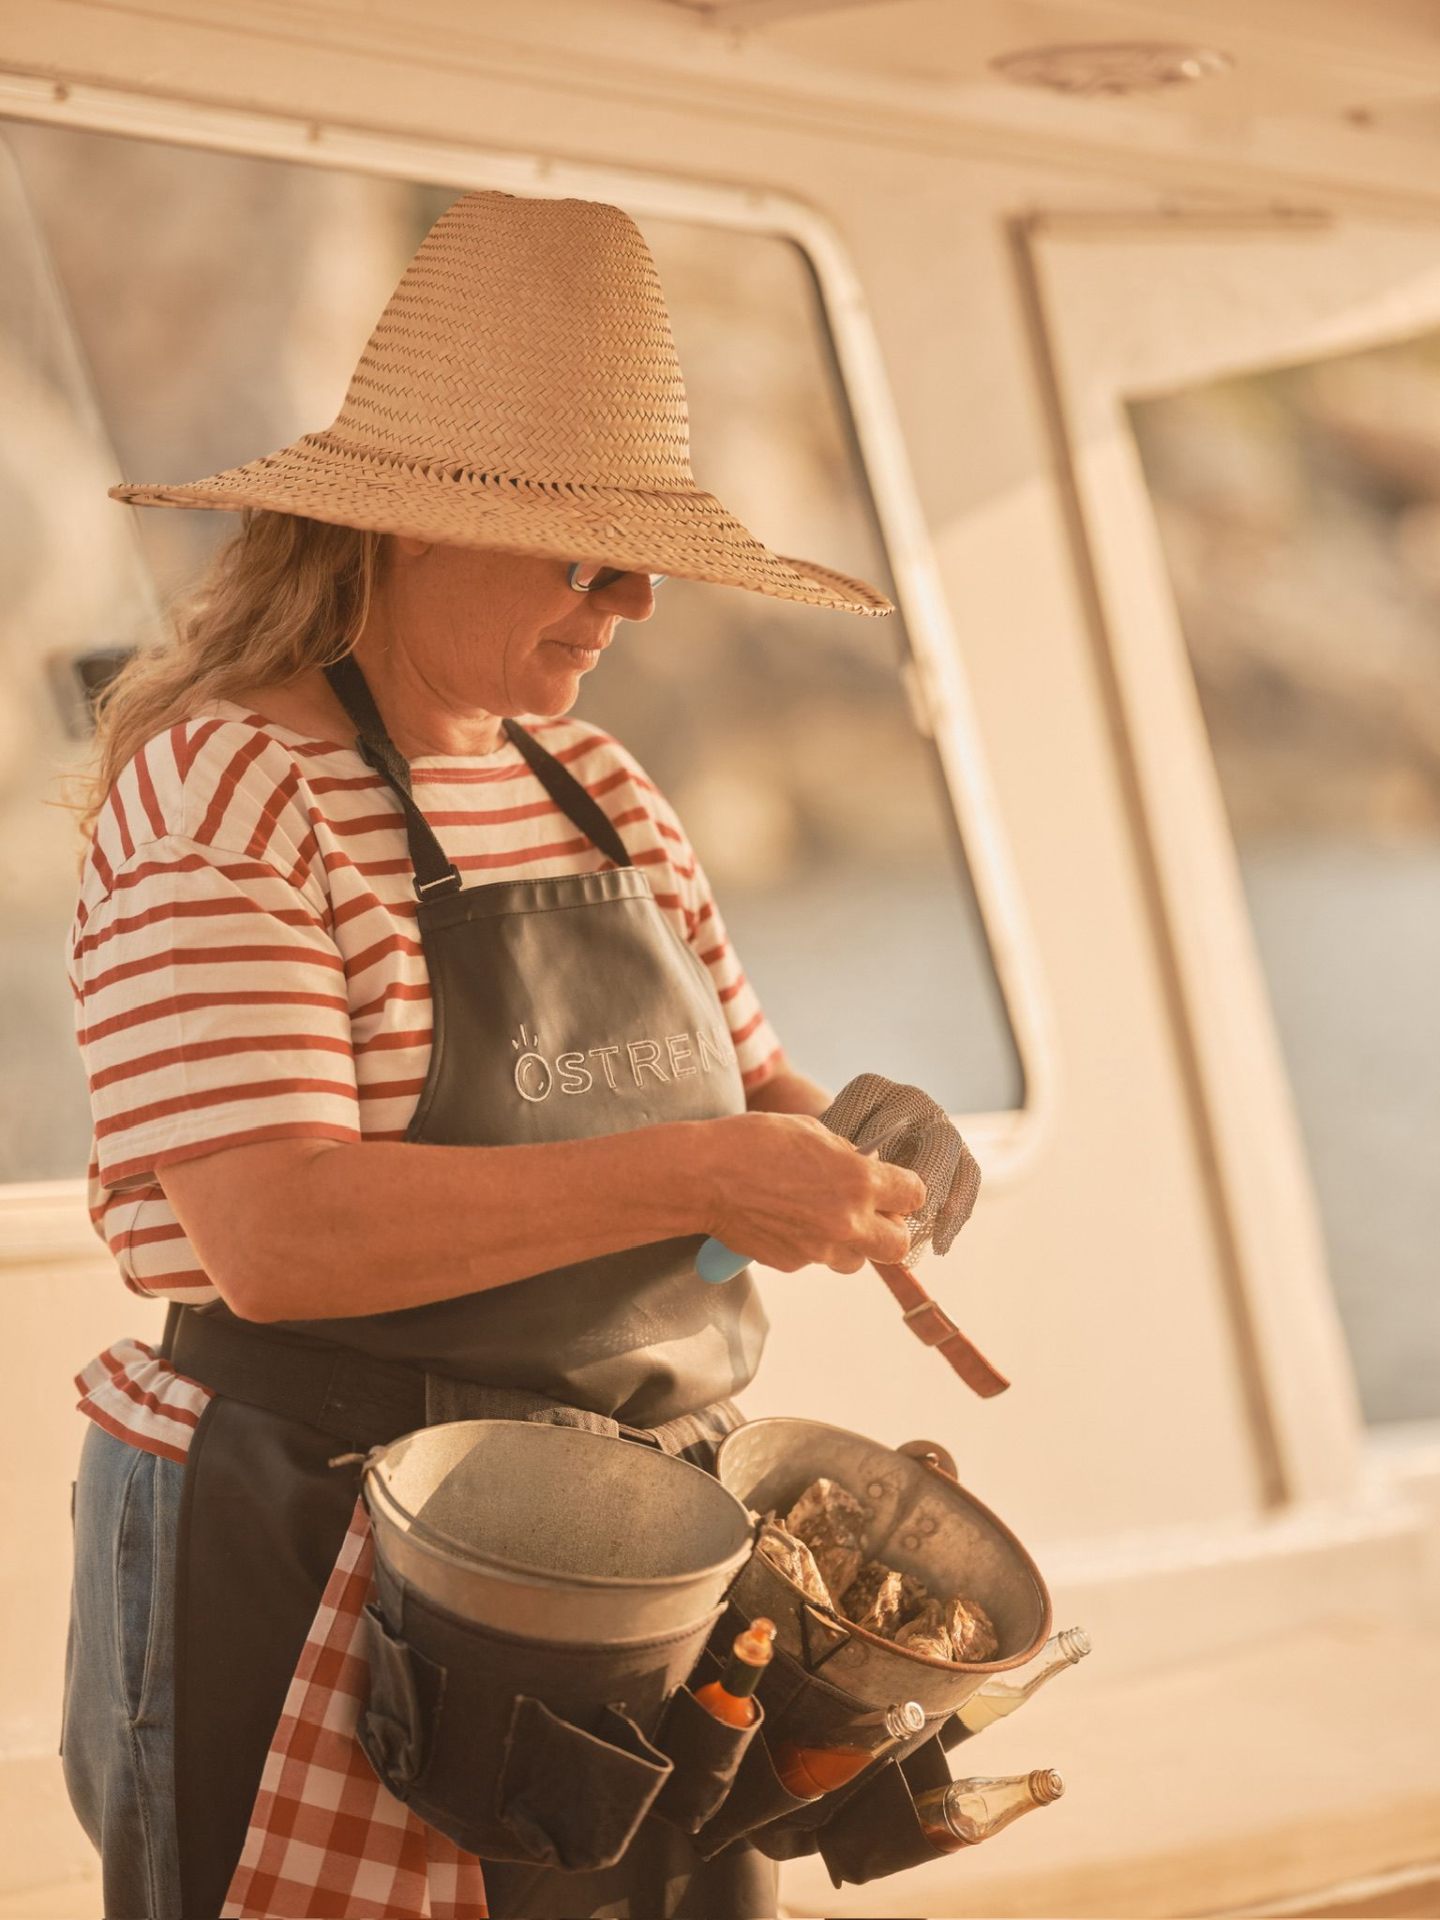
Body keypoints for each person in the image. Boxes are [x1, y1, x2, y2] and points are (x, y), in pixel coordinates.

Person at [61, 186, 923, 1920]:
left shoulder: (599, 789)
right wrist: (697, 1178)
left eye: (646, 559)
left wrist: (854, 1152)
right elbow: (279, 1239)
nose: (636, 608)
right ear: (398, 530)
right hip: (339, 1558)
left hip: (647, 1568)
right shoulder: (228, 787)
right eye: (589, 556)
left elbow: (750, 1089)